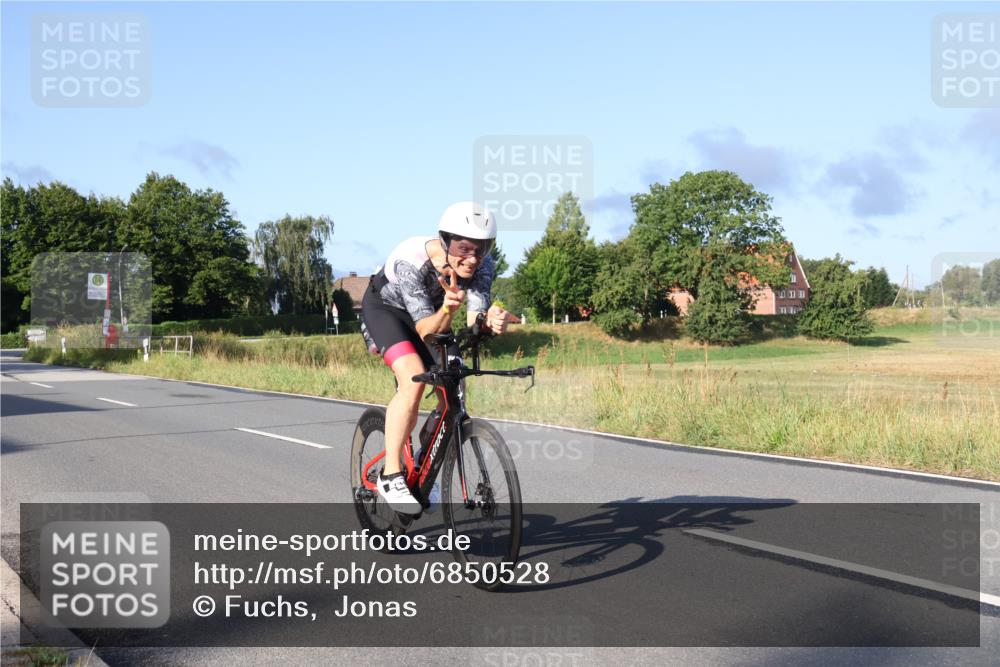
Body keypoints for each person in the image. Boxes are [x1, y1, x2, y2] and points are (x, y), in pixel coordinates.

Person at [360, 202, 515, 513]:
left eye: (481, 249)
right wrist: (447, 309)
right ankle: (391, 474)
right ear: (445, 241)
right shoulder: (411, 260)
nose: (472, 258)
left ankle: (422, 462)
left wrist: (488, 322)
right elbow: (425, 331)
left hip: (434, 314)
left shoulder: (483, 266)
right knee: (413, 378)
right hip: (387, 312)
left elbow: (474, 320)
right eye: (464, 248)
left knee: (454, 385)